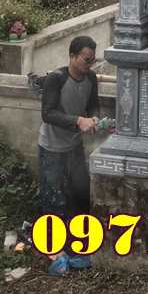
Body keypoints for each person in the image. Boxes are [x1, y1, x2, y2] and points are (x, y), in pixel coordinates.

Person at [38, 36, 99, 274]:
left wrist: (93, 117)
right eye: (86, 59)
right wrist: (78, 121)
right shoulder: (56, 78)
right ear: (72, 56)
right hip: (52, 147)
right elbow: (48, 113)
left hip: (74, 147)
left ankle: (77, 247)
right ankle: (54, 251)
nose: (89, 64)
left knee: (80, 195)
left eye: (92, 60)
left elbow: (93, 105)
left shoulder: (91, 78)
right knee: (53, 199)